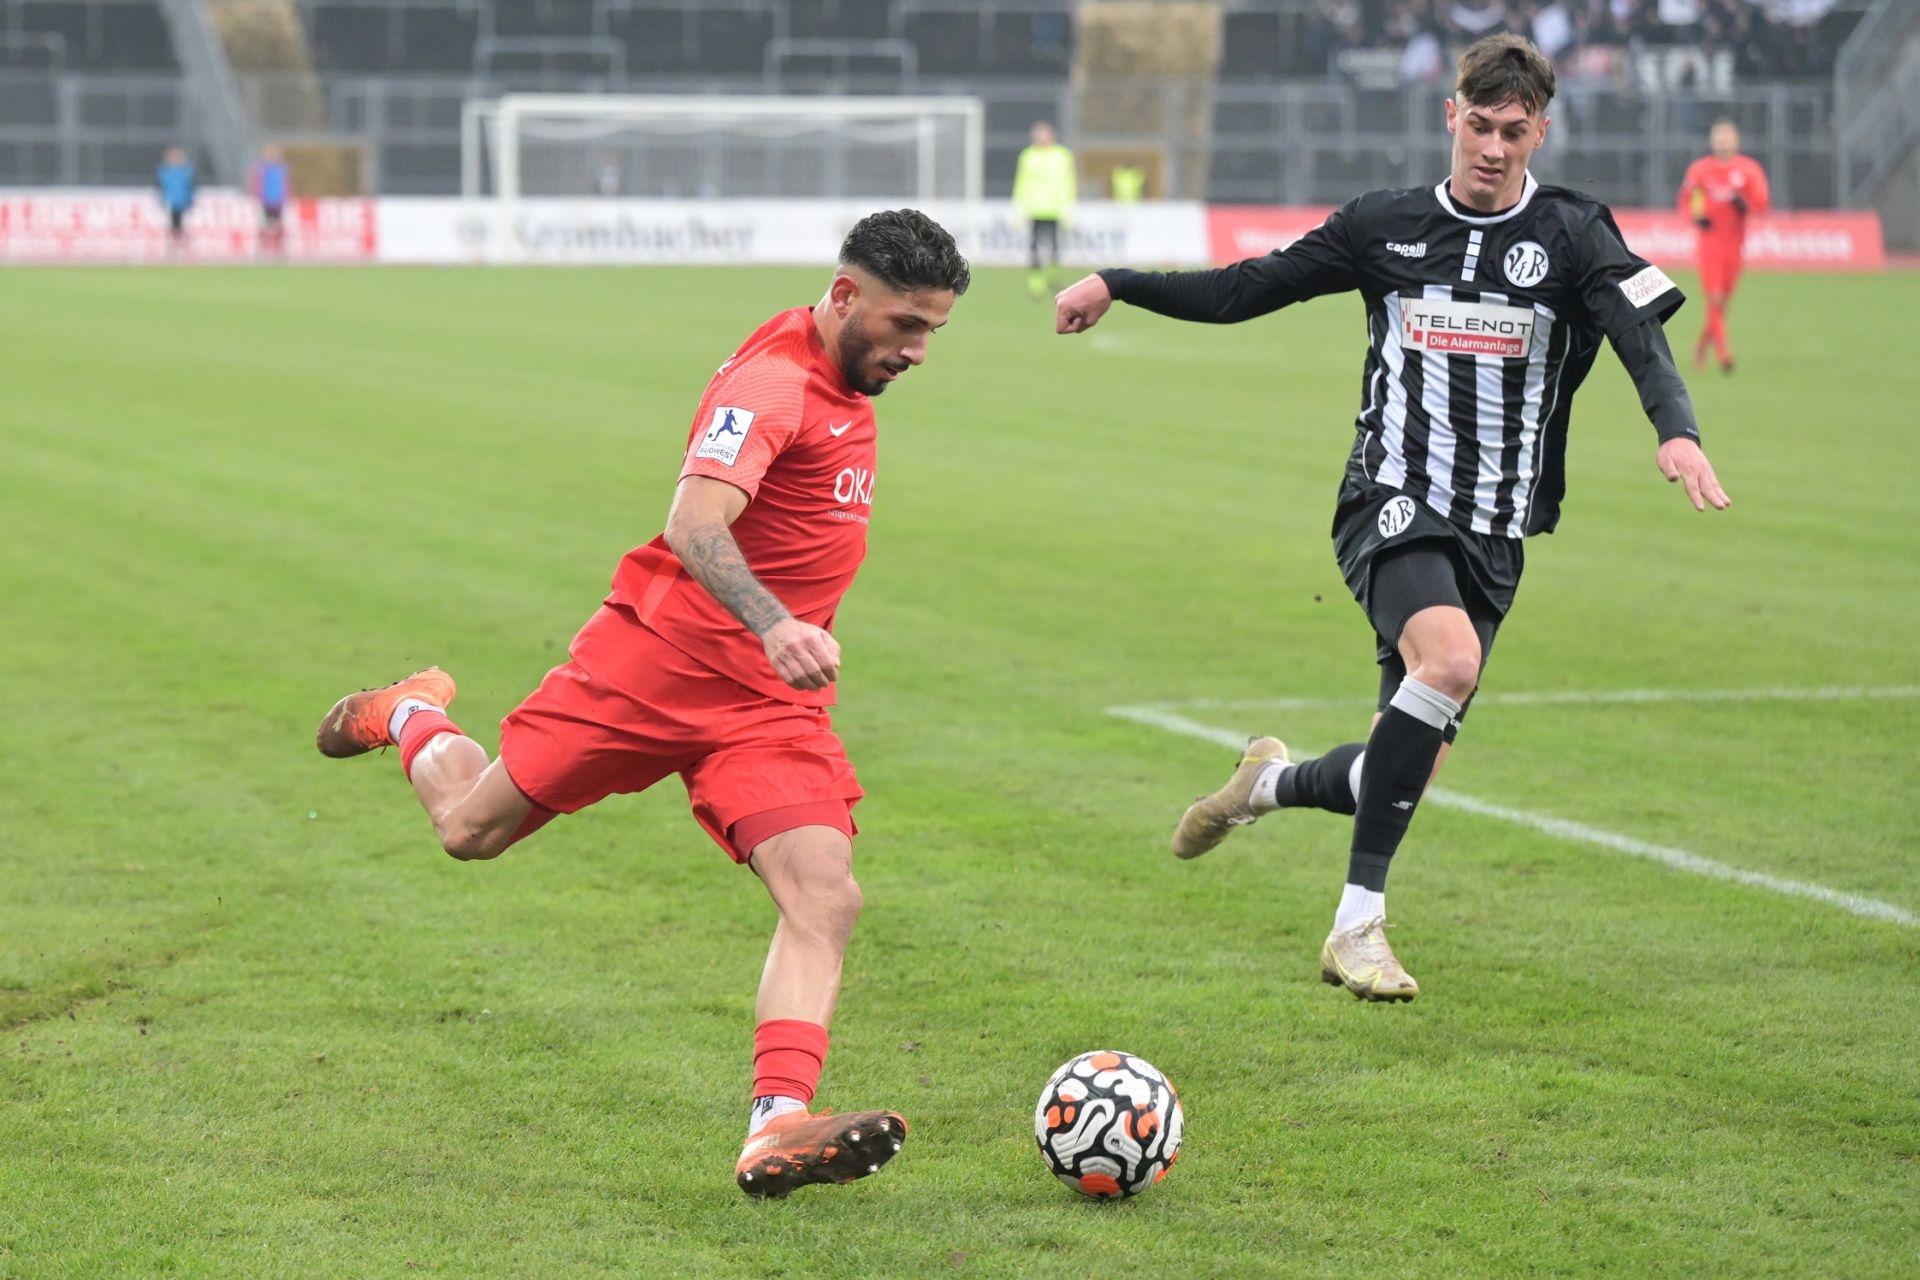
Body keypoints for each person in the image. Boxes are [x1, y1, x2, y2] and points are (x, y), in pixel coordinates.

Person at [1054, 34, 1729, 1002]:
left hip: (1496, 529)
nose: (1493, 147)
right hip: (1391, 496)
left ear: (1541, 131)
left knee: (1394, 772)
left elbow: (1638, 335)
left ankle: (1264, 785)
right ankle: (1356, 927)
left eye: (1514, 131)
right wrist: (1120, 283)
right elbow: (1249, 287)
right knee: (1447, 663)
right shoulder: (1386, 224)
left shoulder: (1575, 233)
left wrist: (1678, 431)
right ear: (1449, 114)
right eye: (1479, 124)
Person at [314, 209, 970, 1194]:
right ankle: (411, 711)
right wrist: (774, 622)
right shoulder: (771, 383)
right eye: (905, 324)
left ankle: (777, 1123)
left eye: (933, 331)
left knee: (825, 893)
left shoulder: (844, 377)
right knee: (469, 830)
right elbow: (696, 522)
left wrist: (773, 647)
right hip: (654, 666)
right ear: (843, 296)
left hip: (767, 705)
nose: (917, 350)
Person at [1677, 118, 1769, 372]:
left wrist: (1745, 204)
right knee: (1715, 298)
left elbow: (1761, 203)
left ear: (1736, 141)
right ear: (1712, 140)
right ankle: (1723, 354)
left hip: (1735, 245)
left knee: (1722, 302)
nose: (1723, 142)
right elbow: (1686, 201)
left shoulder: (1749, 170)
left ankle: (1700, 346)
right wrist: (1697, 216)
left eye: (1728, 137)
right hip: (1709, 244)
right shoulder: (1700, 170)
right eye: (1719, 137)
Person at [1012, 121, 1076, 298]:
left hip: (1055, 209)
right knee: (1034, 247)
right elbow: (1022, 182)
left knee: (1055, 246)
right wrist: (1019, 208)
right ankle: (1036, 282)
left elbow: (1068, 182)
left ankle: (1053, 278)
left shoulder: (1062, 155)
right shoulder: (1028, 156)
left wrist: (1069, 209)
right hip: (1035, 208)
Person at [252, 145, 291, 256]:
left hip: (278, 201)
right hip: (265, 200)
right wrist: (257, 196)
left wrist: (287, 196)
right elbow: (257, 184)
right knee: (264, 225)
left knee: (278, 225)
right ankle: (263, 248)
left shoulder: (282, 168)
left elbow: (286, 184)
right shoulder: (262, 168)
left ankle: (279, 248)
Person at [156, 146, 195, 252]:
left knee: (181, 223)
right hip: (170, 202)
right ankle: (173, 245)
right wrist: (162, 198)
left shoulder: (186, 171)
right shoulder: (164, 171)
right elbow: (161, 187)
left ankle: (182, 244)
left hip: (182, 201)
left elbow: (190, 187)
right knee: (172, 223)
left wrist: (190, 199)